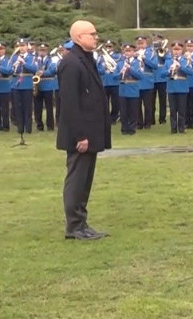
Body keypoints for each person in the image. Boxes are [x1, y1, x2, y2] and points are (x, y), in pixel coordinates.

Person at [56, 20, 111, 240]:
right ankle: (74, 226)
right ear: (79, 37)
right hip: (81, 134)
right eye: (92, 34)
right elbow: (69, 103)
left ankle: (81, 223)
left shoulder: (85, 58)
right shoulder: (71, 62)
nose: (96, 37)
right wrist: (81, 135)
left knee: (85, 180)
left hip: (91, 131)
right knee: (77, 179)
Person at [161, 41, 193, 134]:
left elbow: (191, 72)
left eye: (178, 49)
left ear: (182, 50)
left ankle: (182, 128)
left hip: (182, 87)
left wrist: (181, 67)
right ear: (172, 50)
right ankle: (173, 129)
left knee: (182, 110)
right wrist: (169, 70)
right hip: (171, 87)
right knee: (172, 110)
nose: (176, 51)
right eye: (174, 49)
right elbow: (162, 74)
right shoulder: (168, 61)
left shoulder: (185, 60)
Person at [8, 38, 37, 135]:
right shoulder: (14, 57)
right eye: (20, 46)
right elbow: (9, 71)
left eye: (23, 45)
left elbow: (34, 69)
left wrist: (24, 63)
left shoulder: (32, 57)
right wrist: (15, 66)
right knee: (17, 107)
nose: (21, 48)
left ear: (27, 46)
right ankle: (20, 128)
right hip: (16, 84)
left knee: (27, 107)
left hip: (27, 84)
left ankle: (28, 128)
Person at [116, 44, 143, 135]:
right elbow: (114, 77)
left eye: (129, 51)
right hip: (123, 89)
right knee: (123, 111)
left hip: (133, 89)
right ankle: (124, 128)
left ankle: (132, 129)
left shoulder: (137, 63)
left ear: (133, 52)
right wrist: (120, 72)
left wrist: (130, 68)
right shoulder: (120, 63)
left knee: (133, 110)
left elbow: (140, 76)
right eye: (126, 51)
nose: (127, 53)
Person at [34, 43, 58, 131]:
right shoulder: (35, 59)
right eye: (40, 50)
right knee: (37, 107)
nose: (42, 52)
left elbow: (52, 71)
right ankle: (39, 125)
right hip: (38, 85)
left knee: (49, 107)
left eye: (43, 51)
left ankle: (50, 125)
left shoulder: (51, 60)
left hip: (48, 85)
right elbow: (32, 68)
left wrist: (43, 73)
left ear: (47, 51)